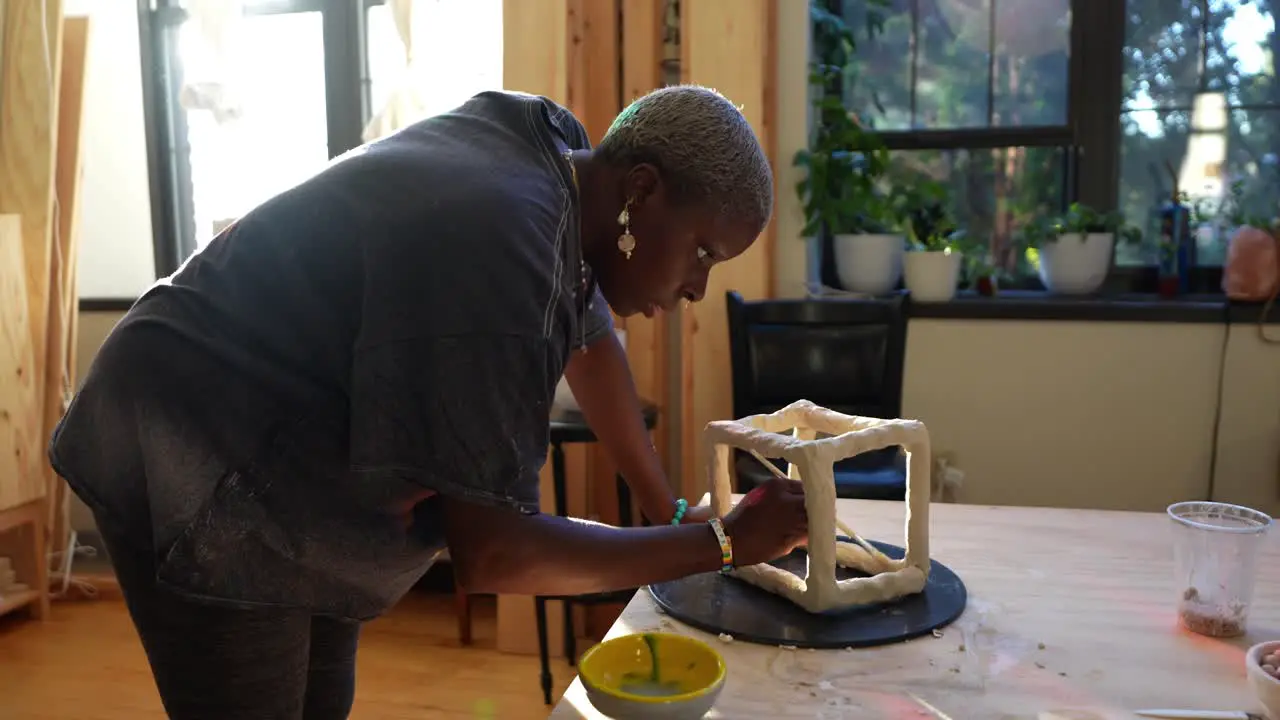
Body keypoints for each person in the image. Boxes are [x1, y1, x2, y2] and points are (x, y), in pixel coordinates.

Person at [48, 85, 808, 719]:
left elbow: (592, 340)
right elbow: (494, 550)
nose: (698, 287)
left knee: (319, 700)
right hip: (194, 439)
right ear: (640, 192)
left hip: (286, 444)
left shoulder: (561, 152)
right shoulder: (508, 241)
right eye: (703, 251)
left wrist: (669, 510)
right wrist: (723, 545)